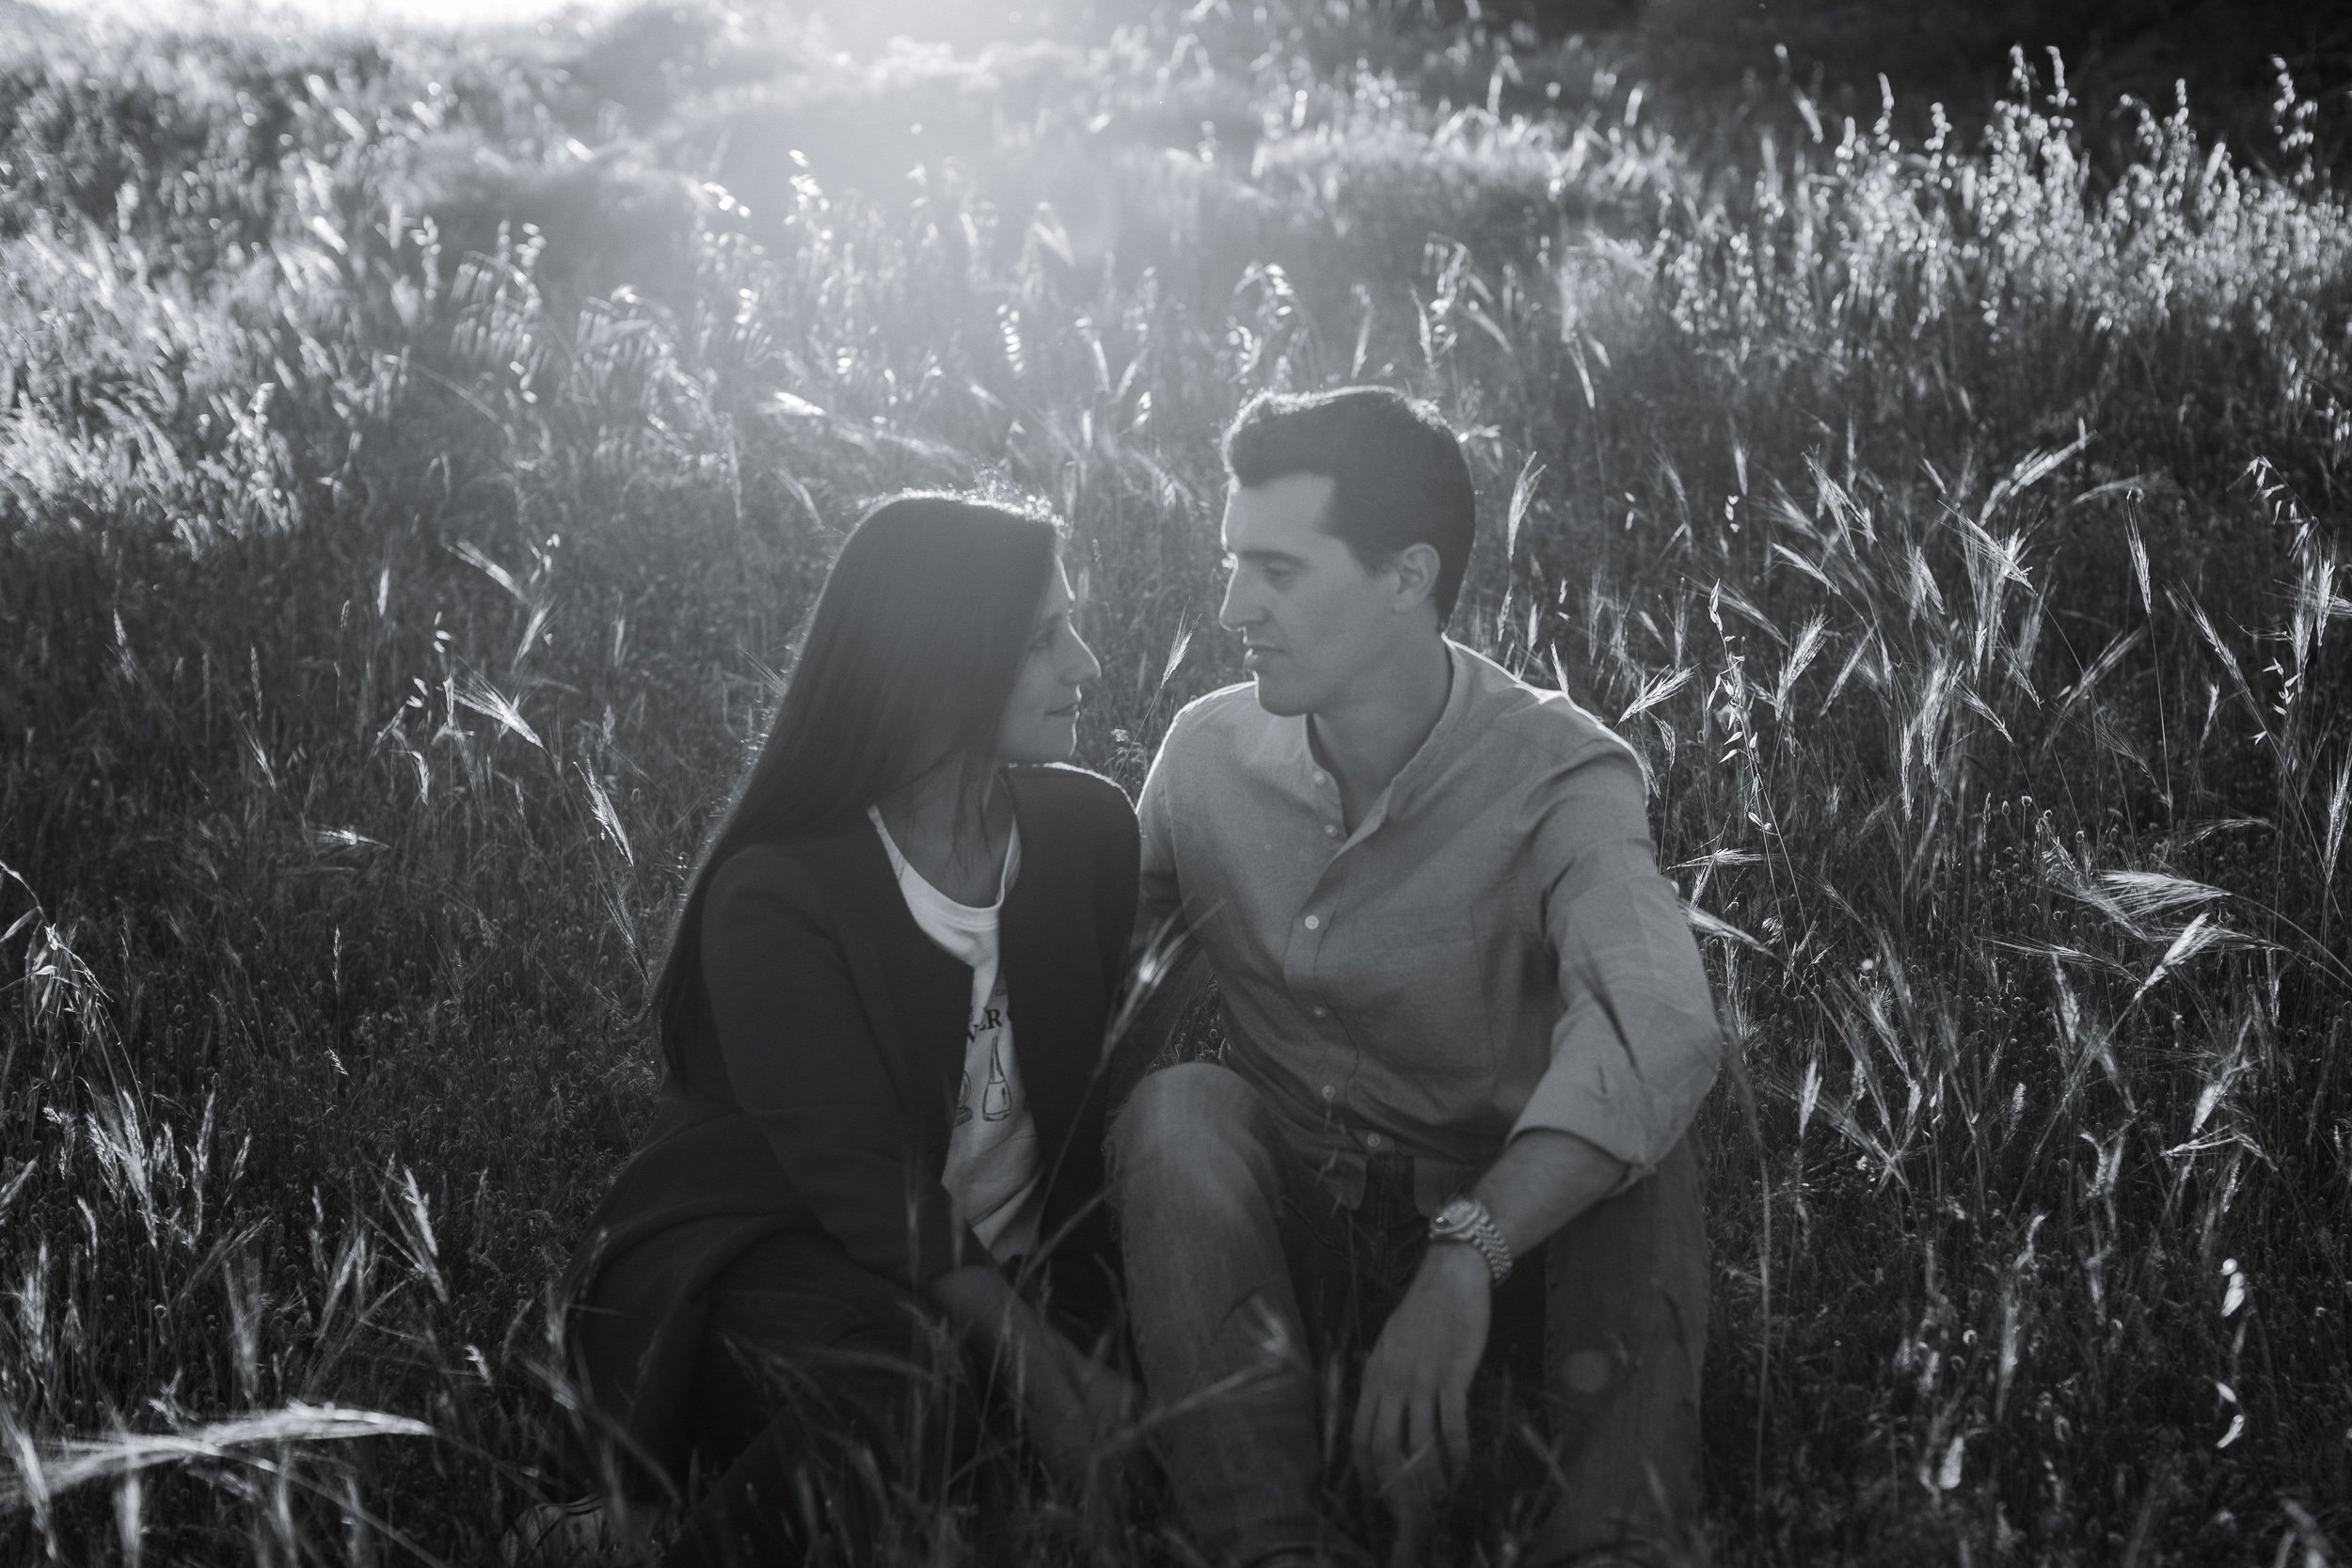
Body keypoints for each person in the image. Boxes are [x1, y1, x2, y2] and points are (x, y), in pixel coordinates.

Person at [1110, 388, 1724, 1568]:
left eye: (1277, 571)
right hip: (1298, 1264)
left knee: (1639, 1134)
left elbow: (1660, 1024)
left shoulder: (1560, 771)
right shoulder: (1203, 754)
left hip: (1524, 1259)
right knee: (1175, 1111)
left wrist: (1468, 1250)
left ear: (1406, 576)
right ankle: (1268, 1542)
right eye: (1233, 562)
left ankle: (1614, 1542)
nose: (1234, 607)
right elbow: (1104, 996)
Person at [562, 492, 1140, 1566]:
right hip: (774, 1263)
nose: (1087, 665)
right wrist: (1039, 1364)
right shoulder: (781, 891)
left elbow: (1102, 1094)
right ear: (940, 657)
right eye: (1043, 637)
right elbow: (864, 1183)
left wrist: (1075, 1335)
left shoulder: (1091, 830)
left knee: (1012, 1444)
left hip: (1015, 1276)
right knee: (912, 1388)